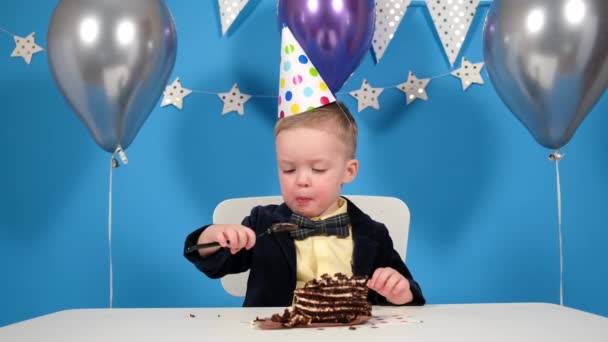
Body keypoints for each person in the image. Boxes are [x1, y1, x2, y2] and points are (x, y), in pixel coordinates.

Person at [184, 101, 424, 307]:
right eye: (288, 169)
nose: (301, 181)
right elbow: (215, 265)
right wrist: (213, 237)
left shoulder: (373, 233)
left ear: (348, 172)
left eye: (317, 169)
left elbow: (409, 296)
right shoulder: (262, 224)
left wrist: (399, 291)